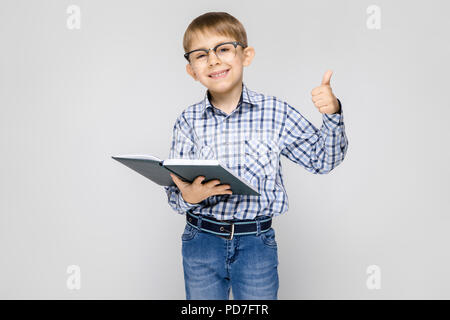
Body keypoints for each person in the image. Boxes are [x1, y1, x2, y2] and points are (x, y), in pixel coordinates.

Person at [164, 11, 348, 300]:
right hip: (201, 241)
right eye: (201, 55)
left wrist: (332, 114)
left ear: (246, 55)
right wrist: (188, 195)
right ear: (192, 70)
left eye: (223, 49)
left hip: (256, 244)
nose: (213, 60)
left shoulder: (276, 112)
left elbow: (322, 160)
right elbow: (175, 188)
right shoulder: (188, 121)